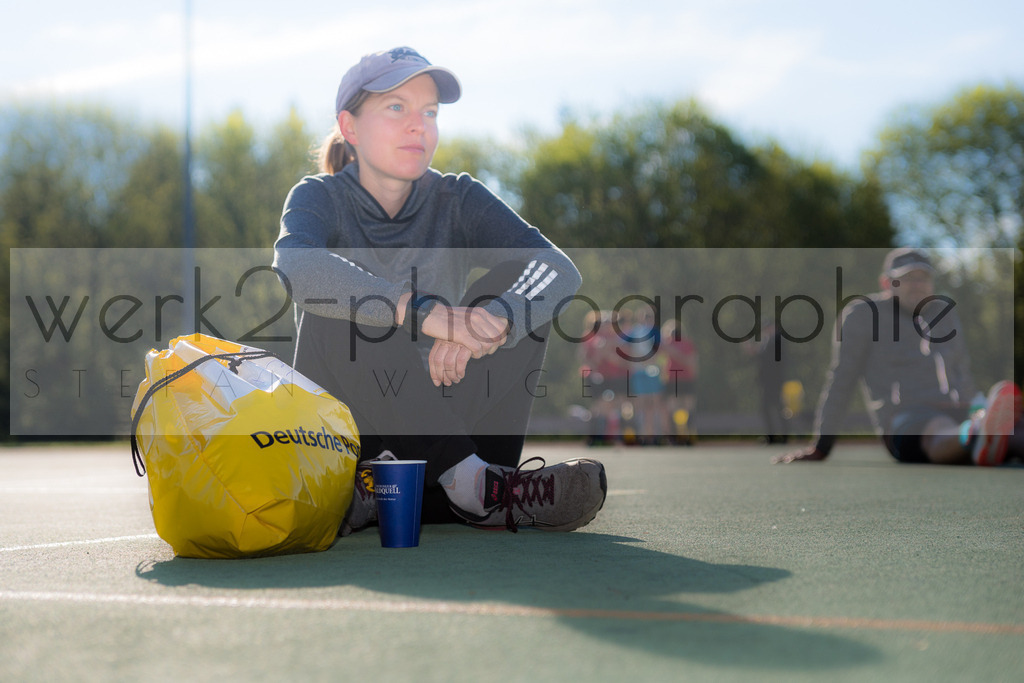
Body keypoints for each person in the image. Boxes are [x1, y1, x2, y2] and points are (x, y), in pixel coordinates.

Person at [272, 47, 606, 533]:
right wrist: (420, 312)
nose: (419, 125)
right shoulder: (318, 197)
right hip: (350, 452)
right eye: (396, 107)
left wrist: (493, 322)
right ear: (350, 127)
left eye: (429, 112)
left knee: (515, 294)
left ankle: (472, 483)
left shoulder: (458, 197)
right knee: (343, 304)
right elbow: (295, 266)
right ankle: (474, 487)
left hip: (449, 448)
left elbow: (557, 267)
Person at [775, 247, 1022, 466]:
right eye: (907, 278)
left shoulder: (944, 312)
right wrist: (822, 446)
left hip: (958, 410)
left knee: (1016, 432)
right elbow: (841, 378)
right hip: (905, 419)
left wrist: (976, 408)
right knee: (936, 428)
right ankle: (976, 434)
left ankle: (984, 434)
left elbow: (961, 369)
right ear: (886, 283)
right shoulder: (862, 314)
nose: (917, 284)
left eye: (923, 277)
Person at [659, 319, 698, 445]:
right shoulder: (667, 344)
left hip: (685, 379)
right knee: (673, 408)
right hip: (672, 379)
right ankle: (676, 436)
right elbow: (660, 359)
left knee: (687, 408)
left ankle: (688, 435)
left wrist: (673, 352)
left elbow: (691, 362)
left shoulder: (686, 344)